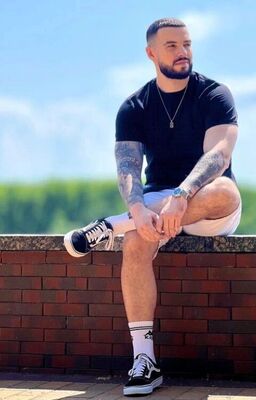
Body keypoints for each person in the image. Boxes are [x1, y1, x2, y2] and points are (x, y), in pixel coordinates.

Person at [64, 17, 241, 396]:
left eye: (187, 44)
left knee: (226, 190)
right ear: (151, 53)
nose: (183, 52)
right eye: (172, 46)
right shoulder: (134, 107)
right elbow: (128, 168)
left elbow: (219, 155)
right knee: (136, 240)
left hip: (207, 208)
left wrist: (182, 195)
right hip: (157, 207)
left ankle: (111, 226)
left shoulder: (214, 94)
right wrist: (137, 208)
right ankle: (144, 361)